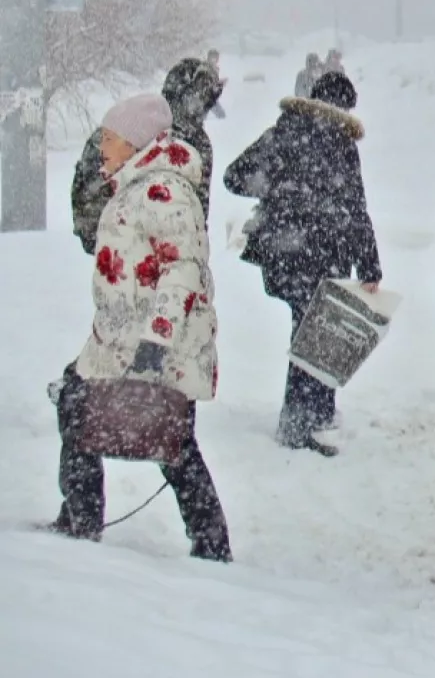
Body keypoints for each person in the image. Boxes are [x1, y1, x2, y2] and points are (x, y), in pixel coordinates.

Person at [46, 93, 231, 562]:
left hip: (153, 340)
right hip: (118, 336)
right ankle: (83, 517)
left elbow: (183, 269)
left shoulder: (162, 190)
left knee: (172, 443)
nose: (102, 148)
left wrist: (157, 339)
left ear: (133, 142)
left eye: (109, 139)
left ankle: (205, 542)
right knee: (79, 402)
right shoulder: (136, 183)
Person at [224, 71, 381, 456]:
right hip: (323, 252)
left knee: (311, 329)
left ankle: (313, 414)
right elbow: (356, 208)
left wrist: (279, 189)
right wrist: (370, 266)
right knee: (317, 333)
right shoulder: (342, 143)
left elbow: (234, 177)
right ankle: (300, 423)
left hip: (285, 253)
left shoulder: (284, 130)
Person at [71, 58, 224, 254]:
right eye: (204, 101)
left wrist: (98, 228)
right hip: (153, 255)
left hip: (118, 247)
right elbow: (198, 216)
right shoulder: (188, 142)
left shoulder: (125, 128)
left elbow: (83, 185)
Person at [205, 49, 227, 119]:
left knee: (221, 115)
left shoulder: (215, 68)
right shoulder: (206, 67)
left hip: (211, 97)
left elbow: (213, 82)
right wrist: (220, 84)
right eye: (215, 57)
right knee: (221, 115)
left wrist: (220, 83)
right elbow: (207, 82)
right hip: (206, 97)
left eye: (217, 58)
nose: (217, 60)